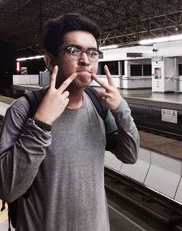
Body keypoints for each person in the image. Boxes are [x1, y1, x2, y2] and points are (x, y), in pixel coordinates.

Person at [0, 13, 139, 231]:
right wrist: (41, 124)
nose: (85, 59)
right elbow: (8, 189)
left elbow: (130, 155)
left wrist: (121, 109)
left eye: (92, 53)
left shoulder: (99, 105)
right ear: (50, 60)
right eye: (74, 50)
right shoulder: (24, 110)